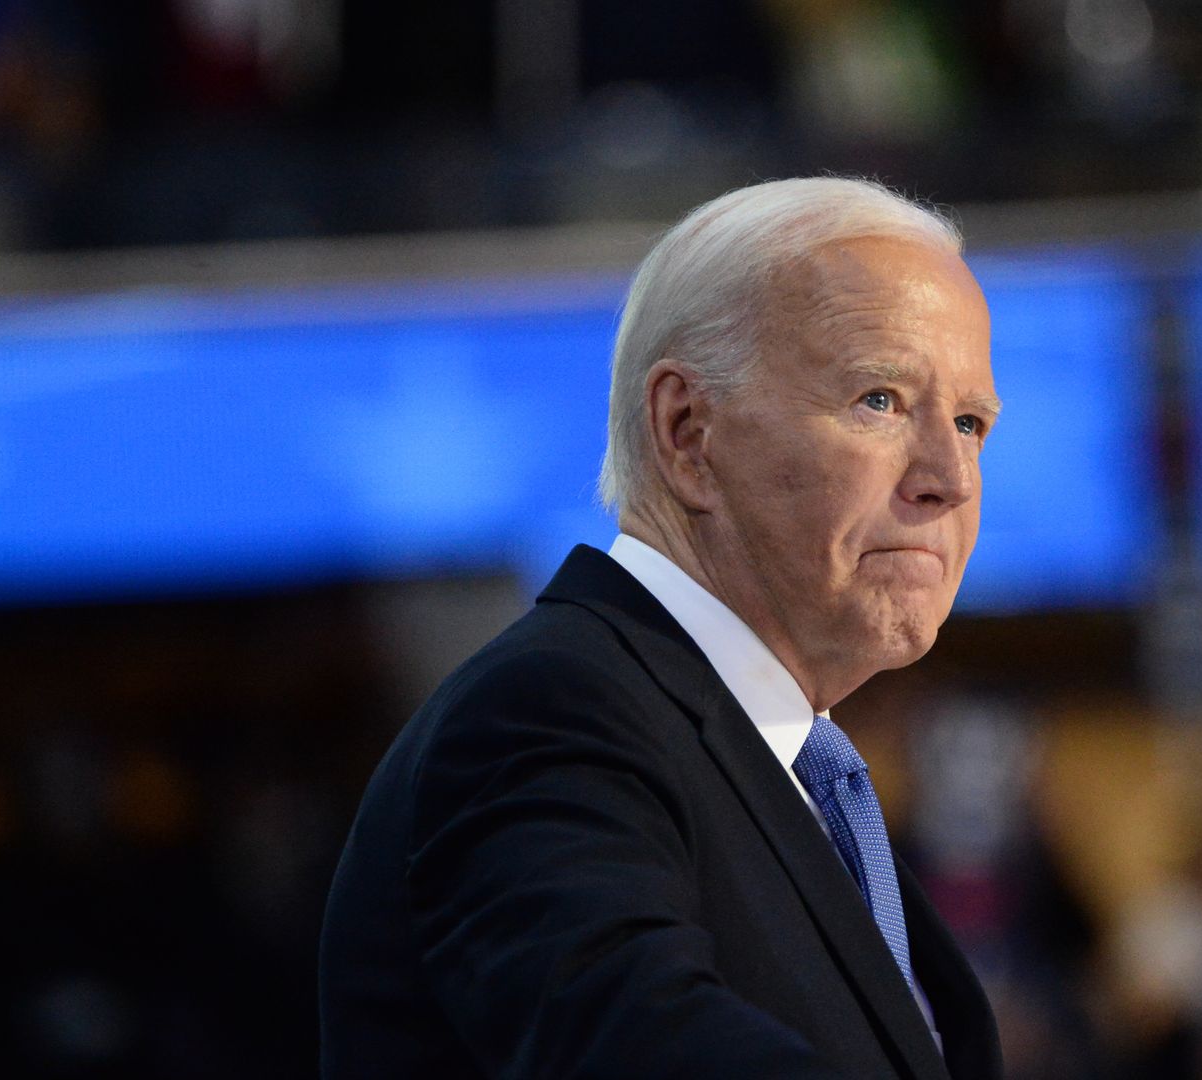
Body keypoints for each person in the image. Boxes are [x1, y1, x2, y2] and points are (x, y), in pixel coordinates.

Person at [319, 176, 1005, 1079]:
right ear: (687, 432)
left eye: (970, 422)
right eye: (880, 400)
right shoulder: (547, 716)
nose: (952, 478)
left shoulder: (791, 774)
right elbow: (637, 1042)